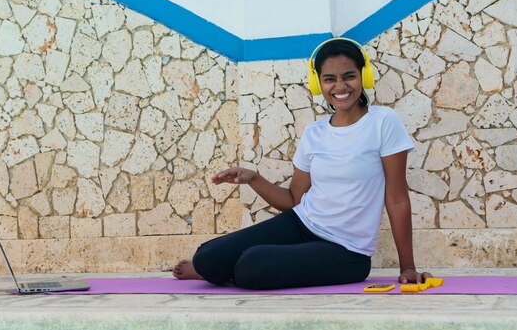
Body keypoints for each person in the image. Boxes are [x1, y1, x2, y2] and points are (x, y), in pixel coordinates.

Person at [173, 37, 431, 290]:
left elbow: (397, 199)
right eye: (330, 79)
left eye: (349, 76)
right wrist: (252, 178)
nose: (340, 86)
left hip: (347, 250)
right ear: (318, 83)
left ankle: (229, 270)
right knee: (207, 256)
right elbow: (294, 199)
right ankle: (214, 268)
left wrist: (407, 267)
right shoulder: (314, 132)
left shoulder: (383, 122)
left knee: (251, 267)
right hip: (301, 223)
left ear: (364, 76)